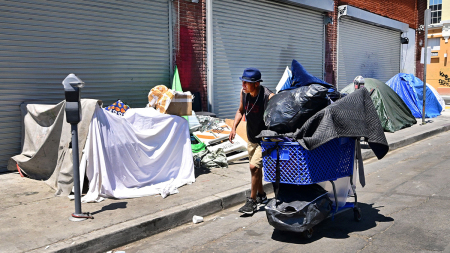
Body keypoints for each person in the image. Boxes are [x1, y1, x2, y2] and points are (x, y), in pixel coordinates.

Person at [229, 67, 274, 215]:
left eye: (246, 82)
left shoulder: (267, 96)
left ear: (256, 84)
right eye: (242, 82)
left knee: (253, 167)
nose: (243, 85)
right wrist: (234, 128)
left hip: (264, 139)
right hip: (251, 137)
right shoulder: (244, 93)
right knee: (256, 169)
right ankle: (261, 195)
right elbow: (240, 110)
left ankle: (252, 201)